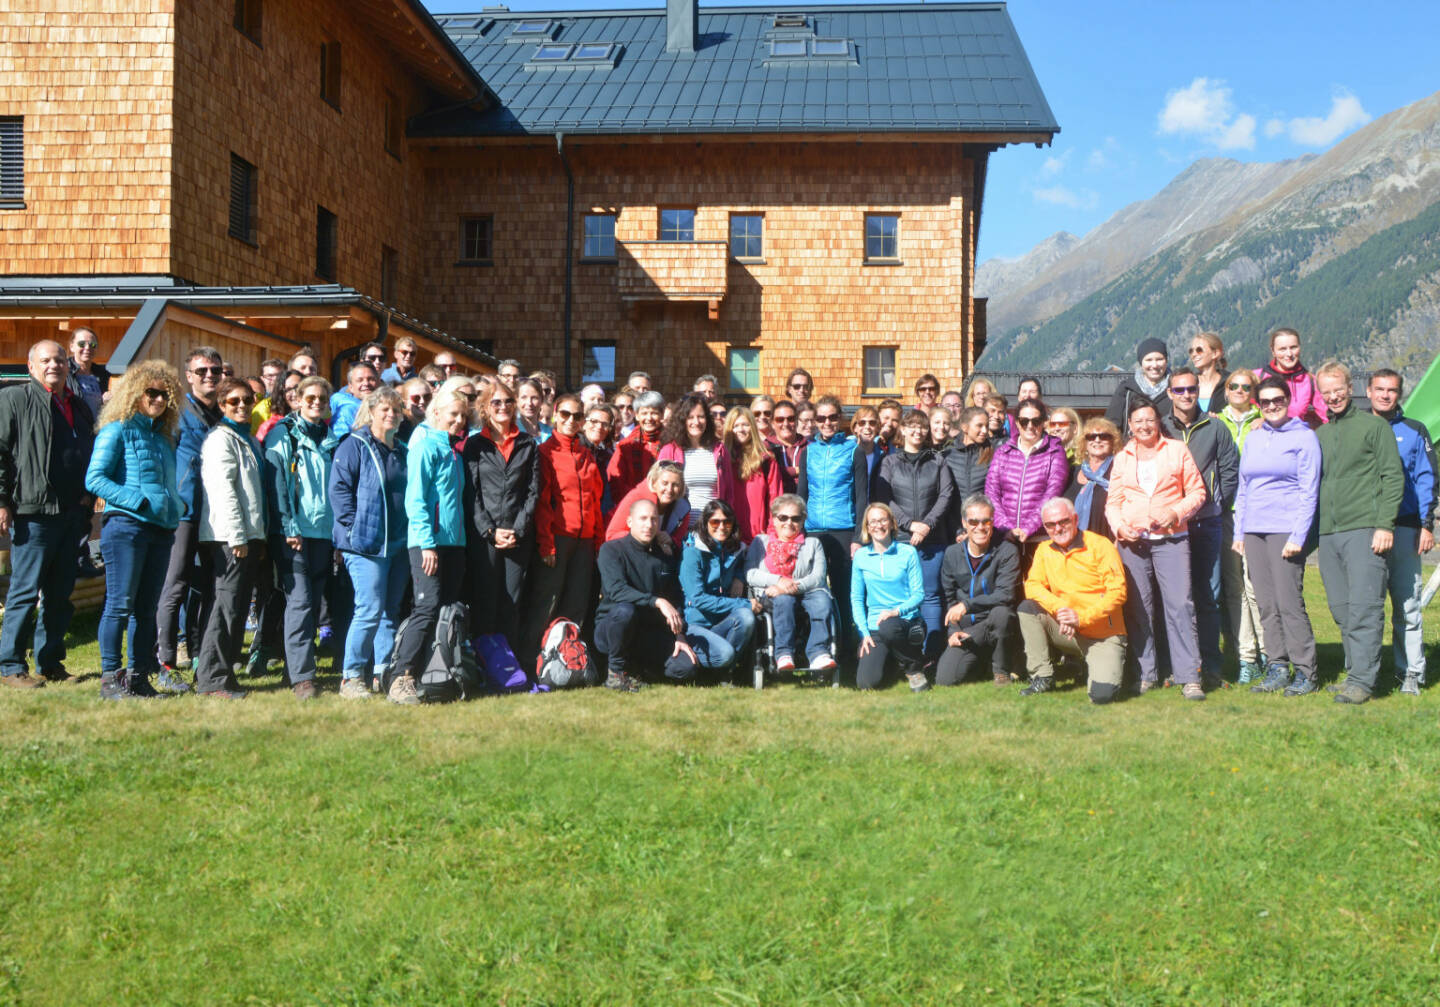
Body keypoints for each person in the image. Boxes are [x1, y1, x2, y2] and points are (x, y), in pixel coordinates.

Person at [85, 360, 185, 698]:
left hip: (160, 529)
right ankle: (111, 679)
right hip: (126, 527)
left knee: (146, 609)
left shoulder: (164, 438)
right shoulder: (117, 429)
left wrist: (175, 507)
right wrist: (136, 501)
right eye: (151, 393)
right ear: (134, 393)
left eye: (165, 395)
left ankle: (139, 677)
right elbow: (95, 478)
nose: (158, 400)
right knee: (119, 603)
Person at [0, 340, 96, 688]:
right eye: (46, 360)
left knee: (59, 594)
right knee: (25, 592)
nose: (54, 365)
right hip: (33, 511)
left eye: (59, 360)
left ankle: (50, 663)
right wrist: (1, 500)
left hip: (72, 514)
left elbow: (88, 452)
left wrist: (88, 496)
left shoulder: (79, 406)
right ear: (30, 366)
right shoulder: (14, 399)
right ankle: (11, 666)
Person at [1314, 361, 1404, 704]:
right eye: (1326, 392)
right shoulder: (1321, 434)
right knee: (1341, 608)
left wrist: (1384, 524)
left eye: (1338, 389)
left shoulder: (1373, 427)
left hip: (1365, 528)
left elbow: (1392, 477)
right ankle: (1355, 672)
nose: (1333, 396)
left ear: (1350, 388)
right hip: (1329, 532)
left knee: (1365, 607)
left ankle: (1363, 682)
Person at [1105, 401, 1207, 699]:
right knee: (1139, 608)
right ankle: (1144, 673)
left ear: (1158, 422)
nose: (1144, 426)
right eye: (1138, 421)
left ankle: (1189, 677)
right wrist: (1119, 527)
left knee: (1180, 606)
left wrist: (1175, 513)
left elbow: (1198, 492)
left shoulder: (1177, 450)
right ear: (1130, 425)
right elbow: (1113, 502)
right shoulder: (1122, 458)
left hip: (1172, 539)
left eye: (1149, 419)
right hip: (1132, 542)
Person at [1233, 376, 1322, 696]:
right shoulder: (1255, 438)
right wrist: (1239, 531)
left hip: (1285, 529)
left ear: (1288, 400)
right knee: (1267, 604)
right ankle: (1277, 666)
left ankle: (1306, 671)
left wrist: (1299, 535)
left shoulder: (1304, 437)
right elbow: (1244, 488)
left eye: (1278, 400)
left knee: (1289, 602)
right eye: (1266, 401)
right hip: (1254, 530)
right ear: (1259, 403)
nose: (1272, 406)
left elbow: (1309, 490)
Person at [389, 382, 470, 705]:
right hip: (428, 543)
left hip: (454, 543)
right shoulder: (425, 447)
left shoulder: (452, 450)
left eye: (463, 416)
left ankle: (434, 673)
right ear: (435, 412)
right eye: (453, 414)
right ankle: (400, 677)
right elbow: (417, 499)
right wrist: (426, 543)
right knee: (426, 607)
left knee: (446, 609)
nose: (459, 421)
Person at [329, 385, 408, 699]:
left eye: (395, 410)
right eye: (384, 409)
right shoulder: (354, 445)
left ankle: (383, 673)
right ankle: (351, 676)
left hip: (397, 544)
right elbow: (339, 491)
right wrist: (352, 530)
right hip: (365, 544)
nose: (391, 414)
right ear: (371, 412)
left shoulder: (402, 450)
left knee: (389, 610)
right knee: (369, 609)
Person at [264, 376, 340, 700]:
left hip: (323, 534)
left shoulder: (331, 439)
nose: (316, 403)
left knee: (313, 600)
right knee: (301, 603)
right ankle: (303, 679)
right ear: (297, 399)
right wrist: (287, 526)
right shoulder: (283, 435)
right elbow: (276, 483)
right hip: (293, 534)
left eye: (322, 399)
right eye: (310, 398)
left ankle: (292, 667)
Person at [1162, 366, 1238, 689]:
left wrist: (1214, 505)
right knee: (1174, 598)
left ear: (1198, 390)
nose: (1186, 395)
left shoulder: (1215, 428)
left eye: (1191, 389)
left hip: (1206, 523)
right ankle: (1174, 666)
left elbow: (1230, 472)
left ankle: (1210, 666)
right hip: (1169, 526)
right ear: (1169, 393)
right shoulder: (1160, 427)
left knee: (1208, 596)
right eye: (1179, 390)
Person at [153, 346, 224, 690]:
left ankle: (204, 658)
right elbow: (163, 462)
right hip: (183, 513)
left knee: (211, 588)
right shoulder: (177, 414)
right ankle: (165, 661)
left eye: (215, 370)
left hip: (218, 516)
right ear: (189, 376)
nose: (209, 376)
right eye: (202, 371)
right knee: (175, 586)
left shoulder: (226, 415)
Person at [194, 378, 268, 699]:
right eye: (234, 401)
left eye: (247, 400)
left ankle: (226, 675)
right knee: (225, 607)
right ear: (222, 405)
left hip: (250, 537)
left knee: (237, 608)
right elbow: (223, 492)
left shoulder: (247, 440)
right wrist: (238, 536)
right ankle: (211, 680)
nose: (242, 406)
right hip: (229, 537)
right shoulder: (220, 440)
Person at [1016, 497, 1128, 703]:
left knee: (1102, 696)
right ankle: (1042, 676)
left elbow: (1118, 592)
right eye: (1050, 525)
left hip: (1102, 635)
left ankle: (1104, 666)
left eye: (1063, 521)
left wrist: (1080, 618)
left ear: (1075, 519)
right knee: (1027, 608)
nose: (1057, 528)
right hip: (1067, 630)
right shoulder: (1044, 550)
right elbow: (1032, 585)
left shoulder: (1100, 545)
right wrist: (1060, 609)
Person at [1367, 369, 1436, 695]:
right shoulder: (1358, 427)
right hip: (1364, 528)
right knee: (1367, 604)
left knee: (1407, 604)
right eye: (1379, 389)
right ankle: (1365, 673)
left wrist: (1426, 524)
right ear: (1368, 392)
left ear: (1399, 394)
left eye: (1391, 390)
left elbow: (1426, 478)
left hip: (1406, 525)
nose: (1385, 395)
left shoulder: (1414, 430)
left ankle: (1410, 671)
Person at [523, 393, 604, 662]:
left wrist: (598, 543)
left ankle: (569, 660)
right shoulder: (546, 452)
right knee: (547, 602)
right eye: (565, 414)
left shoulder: (587, 455)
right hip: (557, 537)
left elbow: (595, 501)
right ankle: (532, 658)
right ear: (555, 415)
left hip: (585, 540)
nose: (571, 420)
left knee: (576, 603)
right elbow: (543, 503)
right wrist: (546, 543)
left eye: (577, 416)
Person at [593, 497, 703, 691]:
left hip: (648, 631)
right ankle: (615, 672)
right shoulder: (611, 550)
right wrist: (657, 601)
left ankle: (639, 669)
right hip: (613, 628)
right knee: (625, 611)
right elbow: (617, 591)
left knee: (686, 668)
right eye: (642, 519)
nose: (649, 525)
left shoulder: (664, 555)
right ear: (629, 522)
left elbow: (674, 598)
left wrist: (680, 635)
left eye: (653, 519)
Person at [464, 380, 540, 644]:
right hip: (485, 537)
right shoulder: (474, 446)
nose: (503, 406)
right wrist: (489, 530)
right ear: (485, 407)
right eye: (496, 402)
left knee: (512, 601)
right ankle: (486, 664)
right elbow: (471, 493)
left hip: (518, 536)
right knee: (485, 600)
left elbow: (533, 492)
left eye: (508, 401)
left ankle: (509, 666)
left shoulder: (528, 444)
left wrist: (517, 530)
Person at [877, 408, 954, 658]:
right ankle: (905, 655)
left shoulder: (937, 460)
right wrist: (909, 524)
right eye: (912, 426)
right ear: (903, 429)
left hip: (933, 541)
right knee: (902, 598)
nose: (918, 431)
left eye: (922, 426)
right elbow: (883, 497)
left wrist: (927, 524)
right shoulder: (890, 461)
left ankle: (930, 654)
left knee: (930, 596)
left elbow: (946, 494)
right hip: (901, 540)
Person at [744, 493, 835, 676]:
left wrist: (790, 586)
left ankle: (818, 653)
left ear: (803, 521)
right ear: (774, 519)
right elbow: (750, 574)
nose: (789, 522)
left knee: (822, 600)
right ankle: (784, 653)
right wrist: (778, 581)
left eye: (795, 518)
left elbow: (818, 577)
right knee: (784, 600)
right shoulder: (760, 542)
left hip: (808, 592)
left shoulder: (813, 544)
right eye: (783, 517)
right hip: (772, 596)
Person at [1215, 368, 1266, 683]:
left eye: (1246, 387)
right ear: (1226, 389)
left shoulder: (1267, 420)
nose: (1239, 390)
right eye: (1233, 385)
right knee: (1234, 589)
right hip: (1227, 513)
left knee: (1257, 587)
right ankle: (1247, 656)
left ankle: (1269, 653)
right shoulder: (1214, 422)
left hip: (1259, 513)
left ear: (1253, 391)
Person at [936, 493, 1019, 687]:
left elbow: (1006, 595)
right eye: (973, 521)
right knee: (945, 679)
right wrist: (953, 631)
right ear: (964, 523)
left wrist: (967, 604)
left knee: (1002, 614)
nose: (980, 527)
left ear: (993, 522)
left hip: (994, 623)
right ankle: (982, 662)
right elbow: (949, 600)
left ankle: (1001, 671)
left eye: (986, 521)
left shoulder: (1007, 551)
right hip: (967, 629)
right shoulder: (952, 554)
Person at [797, 396, 858, 644]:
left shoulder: (854, 451)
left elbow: (862, 496)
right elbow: (802, 495)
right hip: (813, 531)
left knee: (844, 592)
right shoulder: (808, 452)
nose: (827, 422)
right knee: (812, 591)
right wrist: (798, 533)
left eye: (832, 417)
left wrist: (858, 538)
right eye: (821, 418)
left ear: (840, 418)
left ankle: (845, 648)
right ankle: (814, 646)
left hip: (844, 528)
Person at [850, 503, 927, 692]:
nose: (879, 525)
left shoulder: (908, 552)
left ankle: (913, 668)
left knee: (889, 627)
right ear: (867, 527)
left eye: (883, 520)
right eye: (873, 521)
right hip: (875, 626)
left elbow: (919, 594)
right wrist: (864, 634)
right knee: (866, 683)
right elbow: (857, 598)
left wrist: (895, 611)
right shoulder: (860, 556)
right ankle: (894, 662)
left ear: (892, 523)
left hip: (905, 621)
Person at [679, 499, 760, 679]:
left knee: (746, 618)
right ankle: (716, 669)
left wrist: (739, 577)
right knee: (725, 653)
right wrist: (743, 603)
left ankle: (724, 672)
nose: (722, 526)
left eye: (727, 522)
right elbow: (697, 598)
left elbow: (740, 564)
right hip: (695, 624)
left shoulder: (734, 549)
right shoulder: (692, 552)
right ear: (705, 523)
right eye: (715, 522)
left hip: (721, 622)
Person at [984, 398, 1070, 559]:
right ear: (1017, 423)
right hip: (1005, 539)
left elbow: (1052, 493)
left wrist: (1028, 528)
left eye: (1035, 421)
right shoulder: (1003, 452)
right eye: (1024, 421)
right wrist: (1007, 528)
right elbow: (991, 492)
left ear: (1044, 422)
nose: (1030, 426)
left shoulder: (1055, 452)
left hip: (1041, 539)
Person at [658, 393, 733, 514]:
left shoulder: (720, 450)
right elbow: (659, 491)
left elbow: (729, 492)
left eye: (701, 416)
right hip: (680, 527)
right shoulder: (669, 450)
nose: (696, 421)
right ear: (682, 420)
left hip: (713, 526)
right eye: (690, 417)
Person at [722, 406, 782, 543]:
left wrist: (772, 532)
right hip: (727, 536)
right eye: (735, 425)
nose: (741, 429)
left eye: (745, 425)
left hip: (759, 538)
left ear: (753, 428)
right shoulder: (722, 459)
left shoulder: (766, 459)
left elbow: (776, 498)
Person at [606, 459, 692, 552]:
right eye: (664, 483)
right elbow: (612, 535)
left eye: (675, 485)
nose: (669, 489)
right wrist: (647, 538)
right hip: (628, 554)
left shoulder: (683, 509)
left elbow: (680, 541)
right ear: (653, 483)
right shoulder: (636, 498)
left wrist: (671, 541)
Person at [1257, 328, 1326, 428]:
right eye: (1282, 349)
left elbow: (1327, 416)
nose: (1289, 354)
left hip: (1296, 439)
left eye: (1293, 347)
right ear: (1273, 351)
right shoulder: (1258, 377)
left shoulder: (1310, 381)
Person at [1064, 417, 1119, 539]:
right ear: (1084, 442)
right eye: (1091, 437)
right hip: (1076, 543)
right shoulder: (1073, 471)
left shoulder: (1119, 469)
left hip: (1108, 542)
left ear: (1113, 441)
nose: (1097, 440)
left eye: (1104, 436)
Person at [1106, 338, 1173, 437]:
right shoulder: (1127, 389)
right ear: (1141, 363)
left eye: (1159, 359)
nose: (1154, 365)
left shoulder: (1177, 389)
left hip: (1167, 449)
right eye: (1149, 360)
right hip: (1132, 449)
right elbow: (1111, 425)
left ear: (1166, 361)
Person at [608, 390, 666, 503]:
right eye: (644, 413)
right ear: (637, 415)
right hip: (633, 503)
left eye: (654, 413)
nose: (649, 418)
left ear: (662, 414)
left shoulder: (671, 443)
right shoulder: (626, 446)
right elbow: (616, 480)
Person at [944, 407, 992, 520]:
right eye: (979, 425)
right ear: (964, 427)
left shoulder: (992, 455)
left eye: (986, 426)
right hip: (954, 525)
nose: (985, 431)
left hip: (981, 523)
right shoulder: (948, 456)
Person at [65, 327, 107, 418]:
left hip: (99, 429)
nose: (87, 348)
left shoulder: (104, 374)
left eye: (92, 344)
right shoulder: (64, 372)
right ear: (72, 346)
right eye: (82, 344)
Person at [328, 362, 378, 434]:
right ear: (351, 387)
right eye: (360, 380)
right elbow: (342, 442)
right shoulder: (346, 411)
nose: (366, 383)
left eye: (371, 379)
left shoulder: (386, 406)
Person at [256, 369, 302, 443]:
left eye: (298, 387)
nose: (295, 393)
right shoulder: (271, 426)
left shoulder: (318, 421)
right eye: (288, 389)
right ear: (282, 395)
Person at [769, 399, 805, 493]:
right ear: (772, 423)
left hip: (805, 503)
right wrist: (797, 470)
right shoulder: (765, 447)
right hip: (776, 503)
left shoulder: (809, 446)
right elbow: (770, 472)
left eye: (791, 419)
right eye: (780, 419)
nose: (786, 423)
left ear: (797, 421)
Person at [1187, 332, 1227, 413]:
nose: (1194, 354)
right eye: (1191, 351)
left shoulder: (1229, 383)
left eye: (1199, 350)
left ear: (1215, 353)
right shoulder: (1188, 383)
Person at [516, 377, 552, 443]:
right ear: (517, 400)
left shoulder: (550, 433)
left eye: (534, 398)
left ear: (542, 400)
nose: (529, 403)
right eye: (524, 397)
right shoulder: (511, 430)